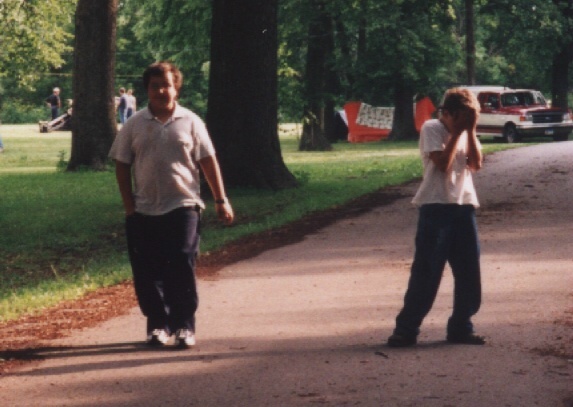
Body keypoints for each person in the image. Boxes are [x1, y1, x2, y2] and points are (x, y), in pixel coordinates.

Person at [109, 61, 235, 348]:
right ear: (147, 90)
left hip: (183, 205)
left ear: (176, 88)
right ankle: (157, 325)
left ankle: (184, 326)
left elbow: (208, 161)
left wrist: (221, 199)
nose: (161, 91)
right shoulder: (134, 124)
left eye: (166, 85)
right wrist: (129, 206)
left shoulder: (191, 121)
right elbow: (121, 165)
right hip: (144, 210)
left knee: (181, 263)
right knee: (147, 270)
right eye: (155, 86)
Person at [387, 87, 485, 347]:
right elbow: (442, 164)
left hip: (464, 207)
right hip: (436, 207)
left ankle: (461, 327)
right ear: (449, 113)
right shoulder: (432, 128)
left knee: (469, 273)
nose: (467, 121)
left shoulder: (466, 132)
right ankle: (406, 329)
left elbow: (476, 164)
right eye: (464, 116)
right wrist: (455, 133)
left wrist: (470, 132)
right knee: (427, 272)